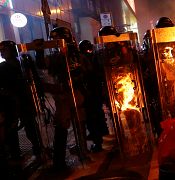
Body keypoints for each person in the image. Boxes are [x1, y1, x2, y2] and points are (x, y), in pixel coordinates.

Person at [49, 27, 87, 169]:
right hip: (63, 95)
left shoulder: (74, 54)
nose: (54, 42)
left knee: (79, 123)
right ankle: (59, 161)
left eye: (57, 39)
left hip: (74, 93)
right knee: (62, 126)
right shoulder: (57, 55)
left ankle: (83, 152)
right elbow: (49, 70)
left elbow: (82, 71)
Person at [0, 40, 42, 160]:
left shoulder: (21, 63)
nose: (2, 53)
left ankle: (35, 151)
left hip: (19, 101)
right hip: (12, 102)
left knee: (28, 128)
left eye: (4, 50)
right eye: (1, 51)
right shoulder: (20, 63)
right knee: (14, 130)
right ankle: (18, 155)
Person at [78, 40, 108, 152]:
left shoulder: (86, 59)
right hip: (94, 92)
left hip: (91, 92)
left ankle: (98, 141)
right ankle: (98, 138)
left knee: (92, 118)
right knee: (96, 115)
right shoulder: (94, 57)